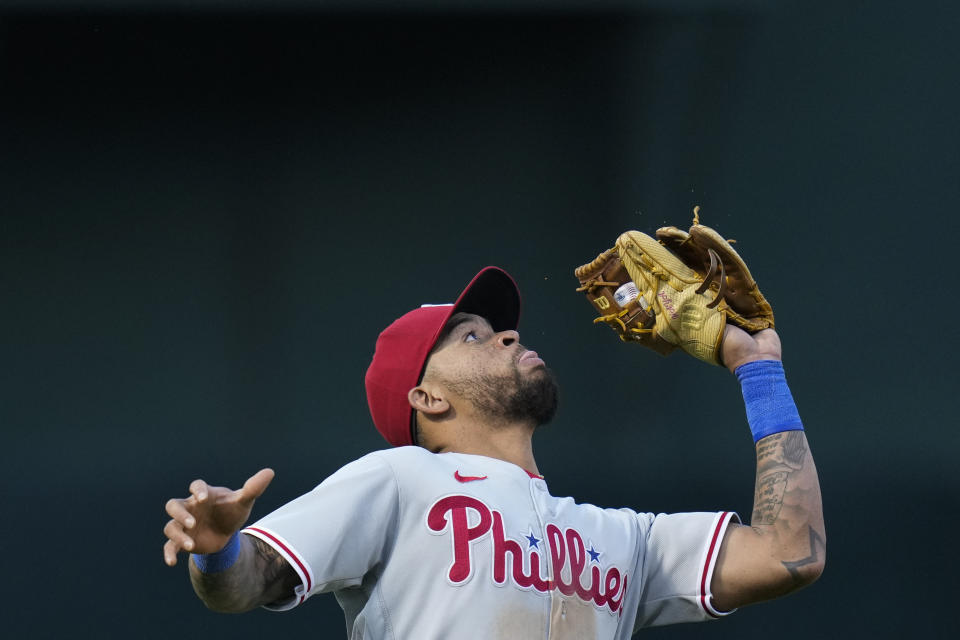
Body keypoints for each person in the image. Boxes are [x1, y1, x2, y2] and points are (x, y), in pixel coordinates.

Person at [163, 266, 825, 639]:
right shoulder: (401, 481)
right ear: (426, 399)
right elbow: (247, 583)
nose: (507, 335)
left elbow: (791, 555)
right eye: (472, 338)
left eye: (502, 328)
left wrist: (758, 369)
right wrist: (220, 549)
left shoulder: (621, 538)